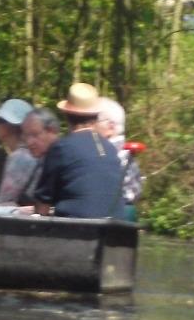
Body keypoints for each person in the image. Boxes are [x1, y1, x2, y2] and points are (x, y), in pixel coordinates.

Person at [30, 83, 125, 219]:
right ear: (96, 115)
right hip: (114, 230)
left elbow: (42, 204)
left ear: (67, 115)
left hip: (76, 230)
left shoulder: (61, 148)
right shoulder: (111, 149)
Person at [0, 107, 58, 208]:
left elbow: (5, 200)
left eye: (0, 120)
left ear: (12, 126)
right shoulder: (38, 154)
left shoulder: (20, 157)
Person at [97, 97, 143, 220]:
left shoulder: (111, 154)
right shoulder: (125, 153)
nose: (90, 126)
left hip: (113, 215)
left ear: (110, 127)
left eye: (94, 120)